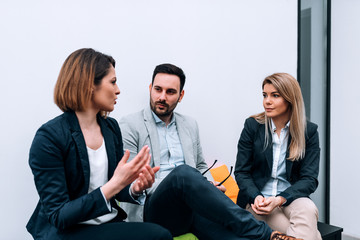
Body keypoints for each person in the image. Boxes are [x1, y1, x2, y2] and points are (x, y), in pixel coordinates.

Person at [119, 63, 303, 240]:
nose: (162, 97)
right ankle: (266, 233)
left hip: (191, 209)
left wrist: (207, 186)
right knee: (182, 174)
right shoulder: (130, 125)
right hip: (155, 210)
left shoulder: (189, 125)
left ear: (181, 95)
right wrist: (193, 184)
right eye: (158, 89)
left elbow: (199, 167)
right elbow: (133, 179)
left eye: (170, 92)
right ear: (150, 88)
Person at [26, 48, 172, 240]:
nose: (118, 89)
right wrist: (116, 182)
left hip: (107, 223)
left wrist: (135, 188)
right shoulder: (49, 138)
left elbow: (117, 189)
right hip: (69, 231)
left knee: (160, 233)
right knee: (158, 236)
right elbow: (58, 215)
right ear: (89, 85)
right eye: (112, 82)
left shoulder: (110, 128)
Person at [234, 73, 321, 240]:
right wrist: (257, 197)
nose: (267, 101)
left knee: (308, 209)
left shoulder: (308, 132)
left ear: (290, 99)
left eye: (275, 95)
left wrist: (281, 199)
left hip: (291, 197)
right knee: (310, 234)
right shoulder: (252, 126)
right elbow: (242, 172)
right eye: (265, 95)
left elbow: (309, 179)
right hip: (259, 201)